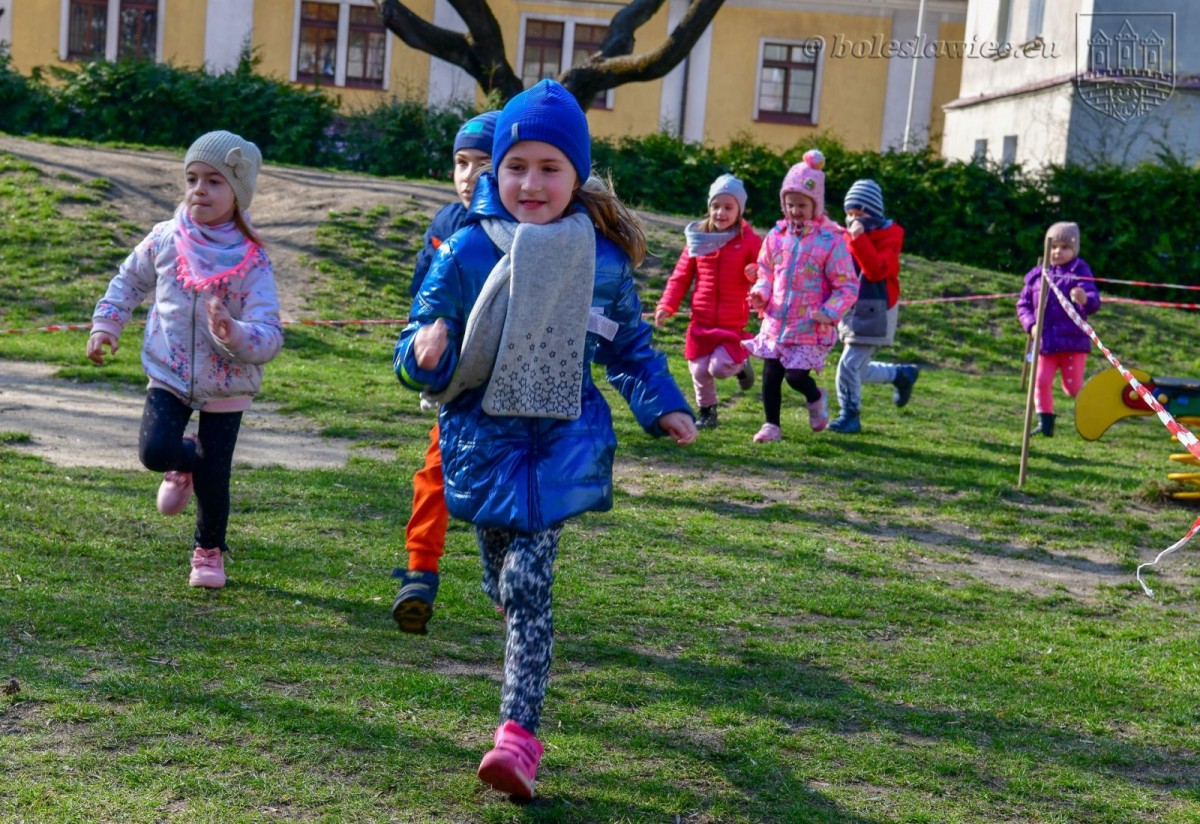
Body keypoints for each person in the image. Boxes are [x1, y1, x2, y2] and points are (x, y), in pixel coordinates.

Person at [393, 79, 696, 800]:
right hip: (481, 441)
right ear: (496, 169)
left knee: (530, 587)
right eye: (516, 166)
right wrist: (424, 350)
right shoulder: (466, 249)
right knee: (502, 572)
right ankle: (502, 592)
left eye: (549, 168)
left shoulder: (603, 261)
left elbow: (630, 350)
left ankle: (517, 741)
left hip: (561, 441)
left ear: (577, 174)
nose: (531, 182)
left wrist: (663, 406)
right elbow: (416, 334)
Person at [86, 130, 282, 590]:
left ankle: (208, 552)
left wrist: (235, 333)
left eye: (214, 181)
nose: (199, 189)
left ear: (238, 193)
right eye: (192, 178)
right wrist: (106, 324)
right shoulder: (164, 238)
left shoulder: (253, 260)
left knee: (215, 479)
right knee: (153, 451)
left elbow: (270, 333)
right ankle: (184, 459)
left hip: (228, 381)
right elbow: (128, 282)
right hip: (169, 370)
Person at [392, 110, 499, 635]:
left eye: (484, 163)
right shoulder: (444, 228)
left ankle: (502, 578)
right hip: (457, 388)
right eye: (461, 162)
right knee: (435, 474)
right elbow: (423, 300)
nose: (469, 174)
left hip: (513, 392)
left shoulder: (531, 232)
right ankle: (419, 574)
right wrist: (423, 347)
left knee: (497, 494)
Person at [744, 149, 857, 443]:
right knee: (771, 373)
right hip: (776, 321)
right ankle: (771, 426)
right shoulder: (776, 236)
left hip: (809, 325)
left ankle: (815, 396)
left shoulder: (830, 241)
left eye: (801, 205)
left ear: (815, 205)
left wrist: (830, 311)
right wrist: (760, 292)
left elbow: (847, 285)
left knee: (795, 376)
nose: (795, 210)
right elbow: (766, 271)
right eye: (790, 204)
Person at [654, 173, 762, 429]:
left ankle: (742, 363)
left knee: (720, 368)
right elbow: (680, 277)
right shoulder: (698, 240)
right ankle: (707, 413)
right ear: (708, 207)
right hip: (700, 321)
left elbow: (768, 272)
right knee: (699, 370)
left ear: (739, 210)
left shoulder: (749, 241)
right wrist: (666, 305)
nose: (720, 213)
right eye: (715, 206)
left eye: (728, 207)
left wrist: (757, 273)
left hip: (731, 323)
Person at [828, 179, 920, 434]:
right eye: (850, 214)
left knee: (848, 365)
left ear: (874, 213)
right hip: (852, 309)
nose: (854, 219)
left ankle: (850, 415)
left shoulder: (890, 236)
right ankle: (901, 374)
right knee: (858, 367)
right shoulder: (847, 235)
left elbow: (876, 270)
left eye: (860, 214)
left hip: (877, 307)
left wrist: (858, 240)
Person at [1016, 221, 1100, 437]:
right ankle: (1045, 423)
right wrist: (1031, 325)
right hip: (1045, 342)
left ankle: (1092, 410)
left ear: (1074, 248)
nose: (1057, 252)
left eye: (1064, 247)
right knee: (1041, 381)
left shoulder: (1080, 271)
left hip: (1073, 343)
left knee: (1072, 388)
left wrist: (1084, 298)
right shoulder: (1037, 275)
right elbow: (1023, 304)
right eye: (1053, 247)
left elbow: (1093, 300)